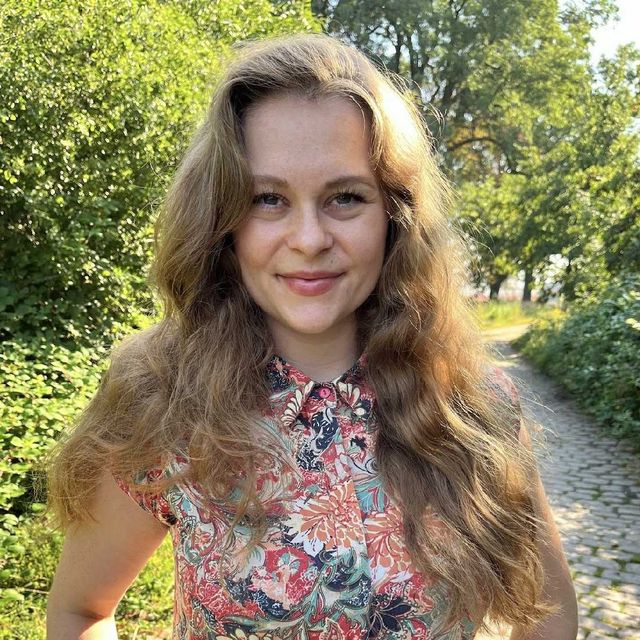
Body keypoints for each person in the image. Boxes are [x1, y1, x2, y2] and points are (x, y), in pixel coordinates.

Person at [45, 32, 578, 640]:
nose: (308, 239)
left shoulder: (475, 406)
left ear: (395, 216)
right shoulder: (162, 401)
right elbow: (81, 610)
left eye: (345, 198)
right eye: (268, 199)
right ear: (222, 220)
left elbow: (548, 613)